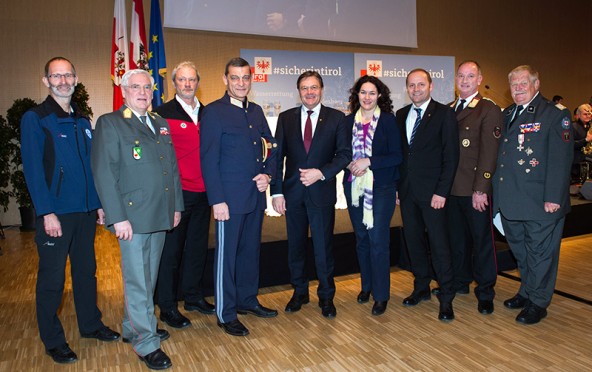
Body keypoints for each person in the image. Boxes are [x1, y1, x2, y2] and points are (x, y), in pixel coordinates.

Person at [20, 57, 120, 364]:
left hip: (86, 212)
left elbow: (92, 167)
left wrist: (100, 204)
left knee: (86, 272)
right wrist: (46, 212)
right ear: (46, 80)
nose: (63, 80)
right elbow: (34, 170)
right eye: (56, 76)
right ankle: (53, 340)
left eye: (68, 75)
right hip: (57, 215)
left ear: (75, 79)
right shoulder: (35, 118)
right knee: (52, 279)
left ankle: (90, 324)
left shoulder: (82, 119)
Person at [91, 69, 183, 370]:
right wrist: (117, 217)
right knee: (137, 281)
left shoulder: (160, 123)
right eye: (136, 87)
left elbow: (171, 168)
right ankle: (146, 342)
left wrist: (176, 205)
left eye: (147, 87)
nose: (143, 92)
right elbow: (105, 173)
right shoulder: (111, 123)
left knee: (149, 277)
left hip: (160, 212)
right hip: (131, 217)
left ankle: (133, 326)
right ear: (124, 90)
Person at [200, 57, 278, 337]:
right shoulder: (213, 112)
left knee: (250, 253)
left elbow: (271, 146)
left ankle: (247, 300)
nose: (241, 83)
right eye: (235, 78)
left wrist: (268, 175)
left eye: (246, 78)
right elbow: (208, 160)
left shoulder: (256, 111)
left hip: (255, 197)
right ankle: (226, 313)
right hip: (228, 202)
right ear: (225, 80)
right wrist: (216, 200)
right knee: (227, 258)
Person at [492, 65, 573, 325]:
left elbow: (561, 160)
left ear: (536, 84)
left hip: (541, 201)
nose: (517, 89)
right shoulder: (507, 114)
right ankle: (526, 291)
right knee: (522, 251)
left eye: (522, 83)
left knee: (541, 253)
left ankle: (538, 302)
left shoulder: (553, 115)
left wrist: (554, 197)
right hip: (512, 201)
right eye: (513, 84)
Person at [271, 70, 350, 318]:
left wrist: (321, 173)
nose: (309, 92)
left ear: (322, 90)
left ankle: (326, 297)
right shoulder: (285, 118)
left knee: (323, 247)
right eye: (304, 88)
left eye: (314, 87)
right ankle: (300, 292)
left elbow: (344, 155)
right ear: (299, 91)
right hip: (292, 194)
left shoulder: (337, 118)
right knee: (295, 246)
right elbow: (277, 159)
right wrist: (276, 192)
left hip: (321, 193)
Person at [437, 61, 502, 315]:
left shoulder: (488, 109)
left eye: (470, 76)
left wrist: (481, 189)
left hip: (474, 190)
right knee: (456, 241)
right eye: (461, 76)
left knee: (482, 242)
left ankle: (485, 291)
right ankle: (461, 281)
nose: (464, 80)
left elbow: (489, 153)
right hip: (451, 190)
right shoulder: (448, 109)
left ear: (479, 79)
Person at [153, 61, 214, 330]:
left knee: (197, 249)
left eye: (192, 80)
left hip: (205, 193)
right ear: (174, 83)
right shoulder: (162, 114)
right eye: (182, 80)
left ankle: (193, 296)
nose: (187, 84)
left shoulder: (209, 113)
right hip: (177, 195)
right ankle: (167, 306)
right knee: (171, 253)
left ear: (197, 82)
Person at [396, 68, 459, 321]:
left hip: (434, 194)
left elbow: (451, 157)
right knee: (413, 242)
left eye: (421, 84)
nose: (416, 89)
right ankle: (421, 286)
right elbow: (402, 156)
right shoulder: (401, 115)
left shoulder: (444, 114)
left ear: (431, 86)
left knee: (439, 244)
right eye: (411, 85)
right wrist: (399, 189)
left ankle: (446, 295)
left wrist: (442, 191)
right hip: (408, 193)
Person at [342, 75, 402, 316]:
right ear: (357, 95)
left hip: (382, 188)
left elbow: (397, 156)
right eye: (363, 92)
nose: (367, 97)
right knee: (362, 239)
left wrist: (369, 161)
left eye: (371, 93)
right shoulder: (346, 123)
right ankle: (366, 286)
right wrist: (350, 164)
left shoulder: (388, 121)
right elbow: (340, 152)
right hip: (354, 187)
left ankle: (381, 294)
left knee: (378, 240)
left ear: (379, 96)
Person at [571, 104, 592, 182]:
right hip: (578, 156)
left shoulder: (589, 127)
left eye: (589, 114)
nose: (588, 116)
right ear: (578, 115)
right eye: (585, 114)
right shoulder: (573, 127)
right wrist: (586, 140)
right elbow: (570, 145)